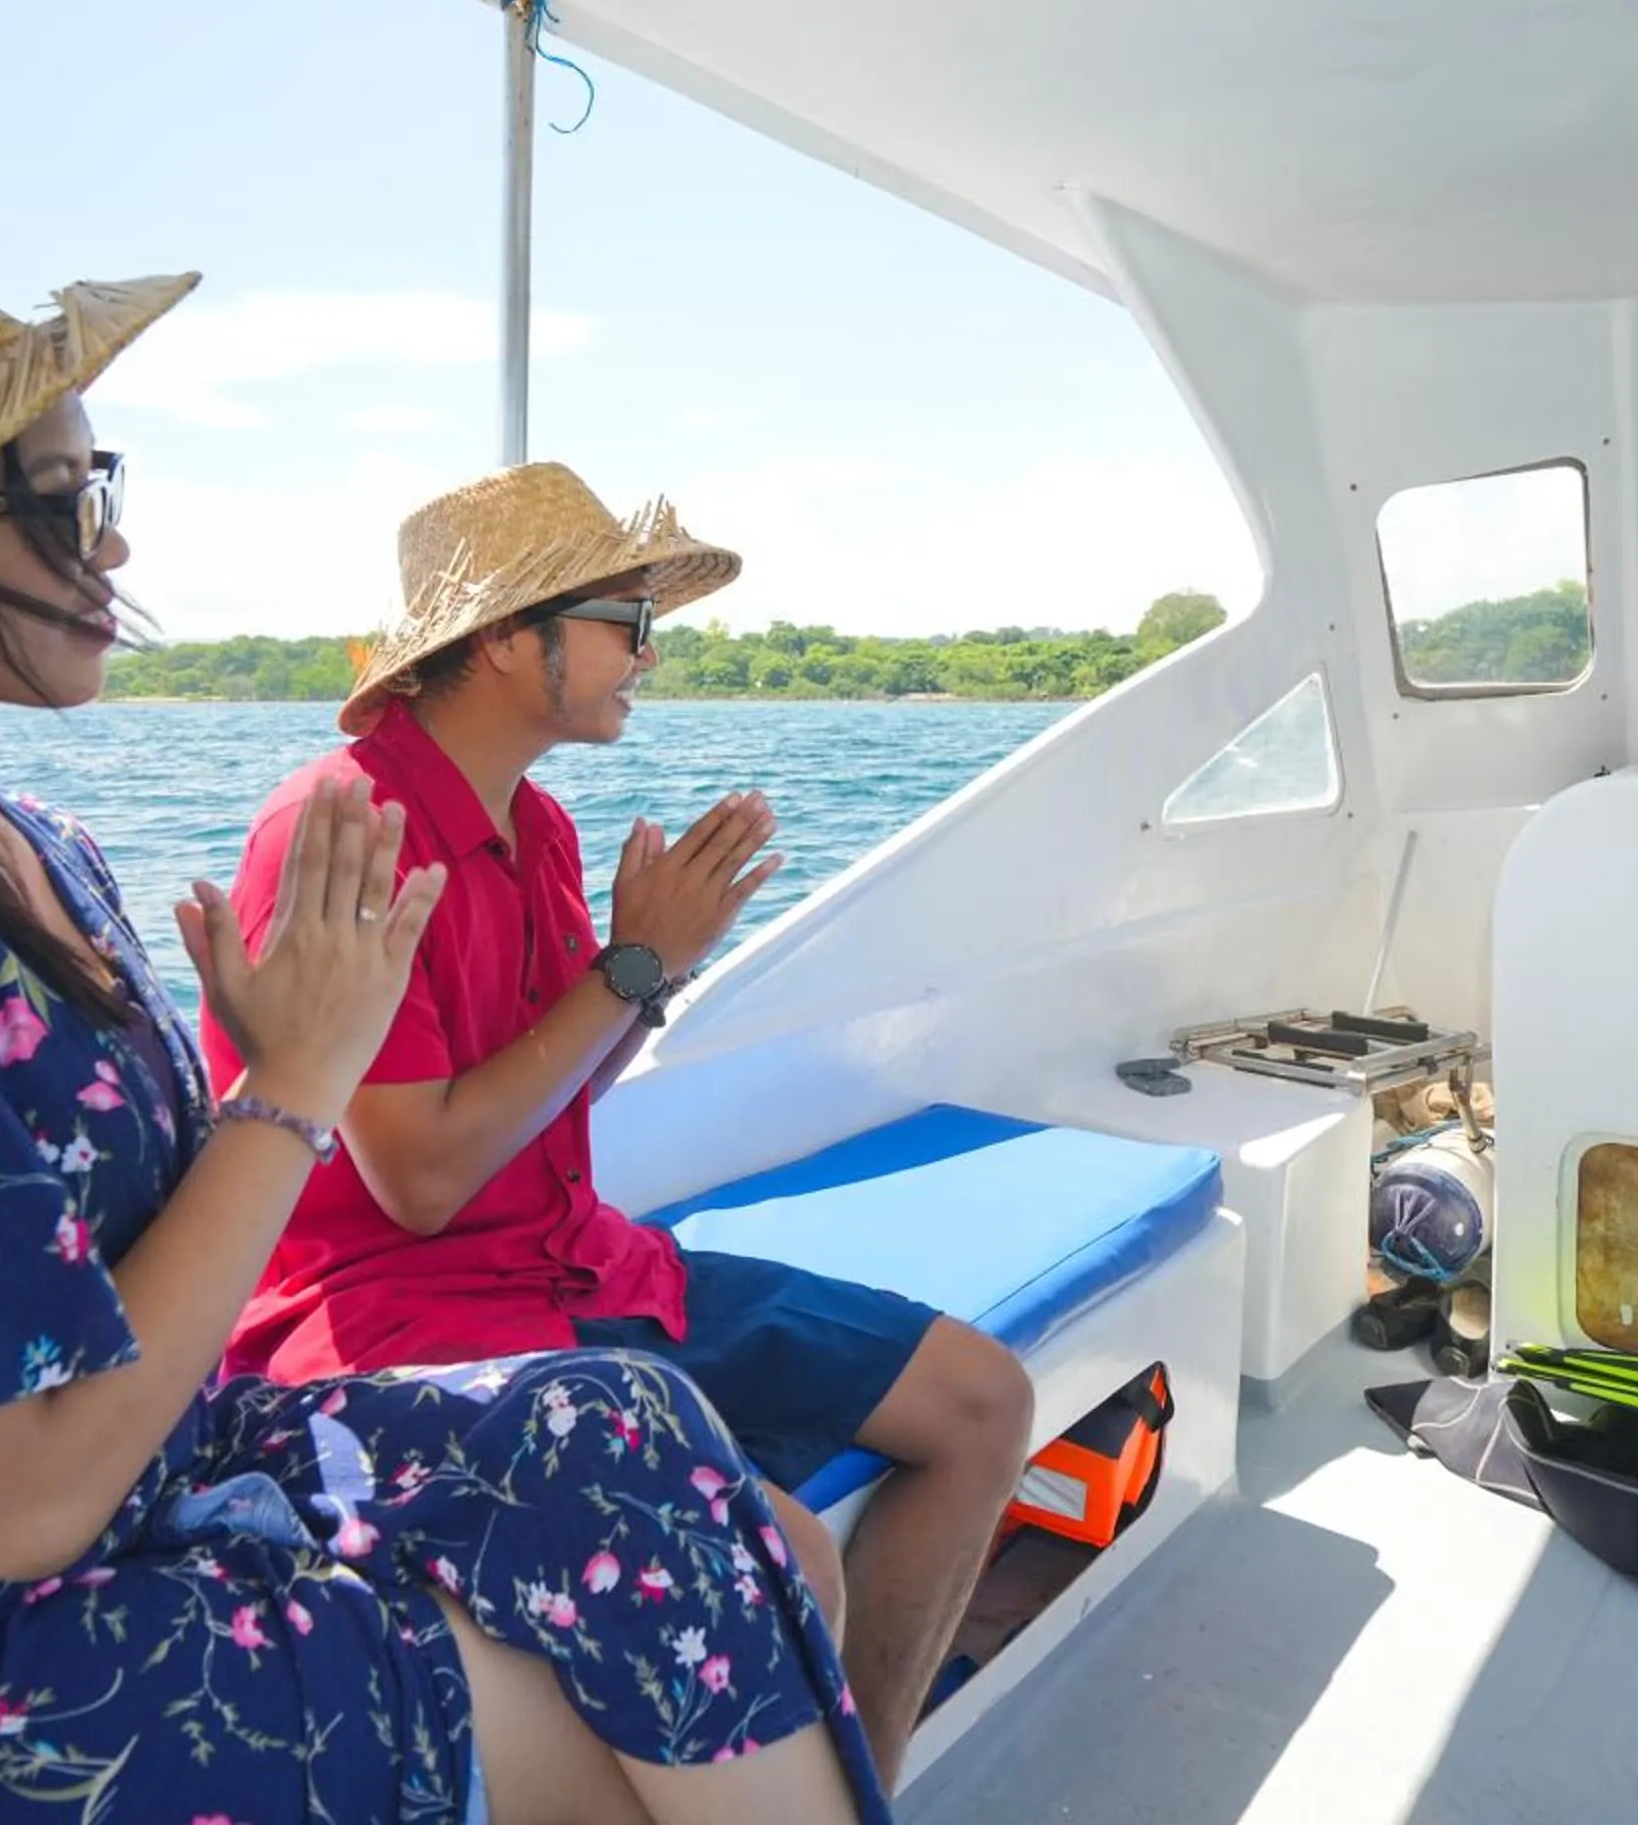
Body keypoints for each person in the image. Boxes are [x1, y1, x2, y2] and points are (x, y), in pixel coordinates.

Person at [0, 193, 890, 1825]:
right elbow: (11, 1499)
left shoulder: (42, 855)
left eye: (105, 489)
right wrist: (294, 1080)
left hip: (140, 1493)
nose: (111, 545)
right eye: (58, 496)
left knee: (635, 1427)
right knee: (626, 1710)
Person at [206, 464, 1035, 1788]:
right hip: (397, 1317)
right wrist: (629, 968)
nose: (651, 651)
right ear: (501, 638)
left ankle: (855, 1791)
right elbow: (415, 1179)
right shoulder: (339, 831)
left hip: (577, 1260)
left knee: (982, 1399)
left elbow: (561, 1089)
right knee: (786, 1557)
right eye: (628, 621)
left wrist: (657, 972)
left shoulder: (531, 824)